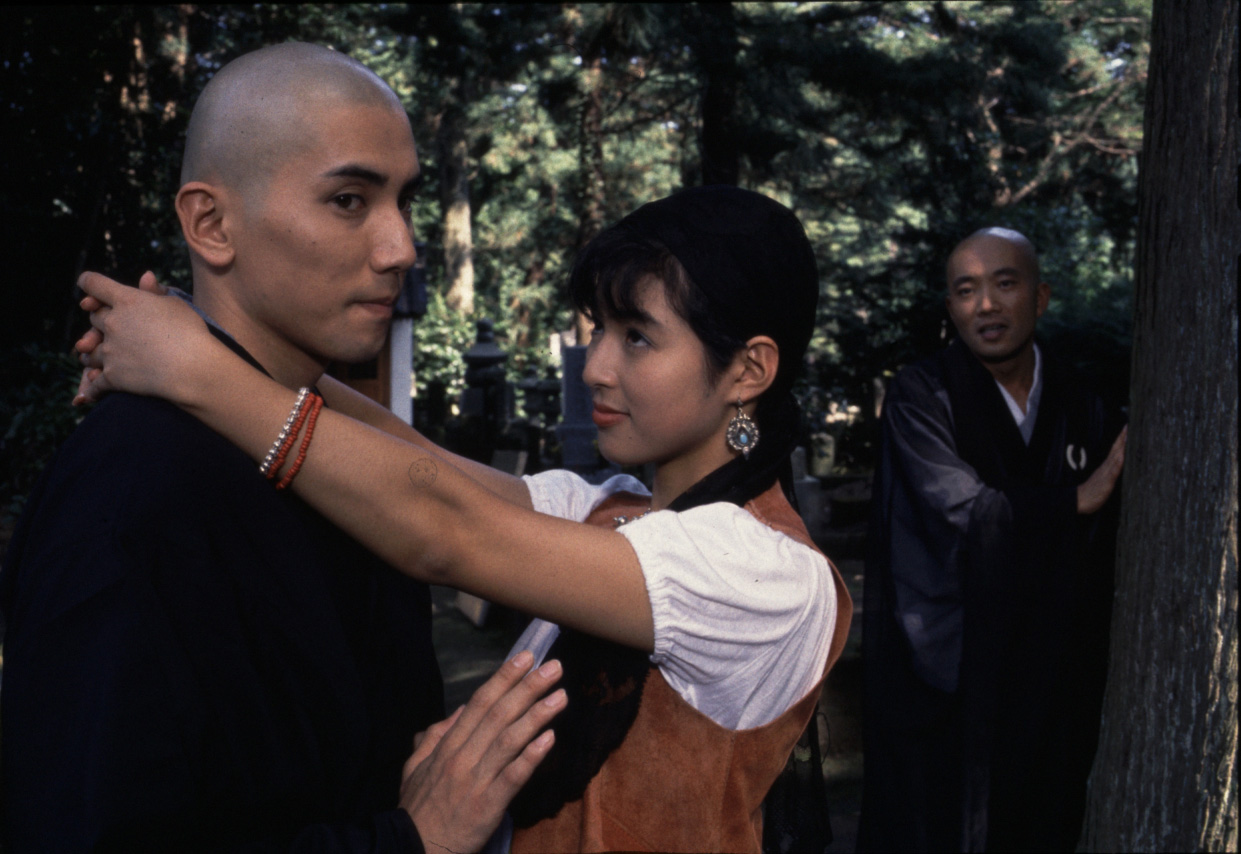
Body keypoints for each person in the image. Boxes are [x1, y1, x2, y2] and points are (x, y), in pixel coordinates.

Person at [74, 183, 853, 853]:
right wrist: (211, 337)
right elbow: (415, 458)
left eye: (638, 338)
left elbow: (444, 528)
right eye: (598, 330)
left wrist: (197, 370)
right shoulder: (610, 511)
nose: (597, 367)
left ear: (748, 369)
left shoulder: (763, 576)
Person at [0, 43, 565, 854]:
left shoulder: (332, 456)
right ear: (212, 224)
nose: (401, 248)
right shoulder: (134, 490)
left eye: (404, 201)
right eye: (348, 200)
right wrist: (414, 838)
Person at [857, 227, 1127, 852]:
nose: (986, 305)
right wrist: (1072, 501)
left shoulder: (1081, 399)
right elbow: (953, 507)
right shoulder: (922, 395)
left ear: (1041, 296)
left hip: (1055, 667)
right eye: (966, 290)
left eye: (1005, 283)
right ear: (950, 308)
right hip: (955, 666)